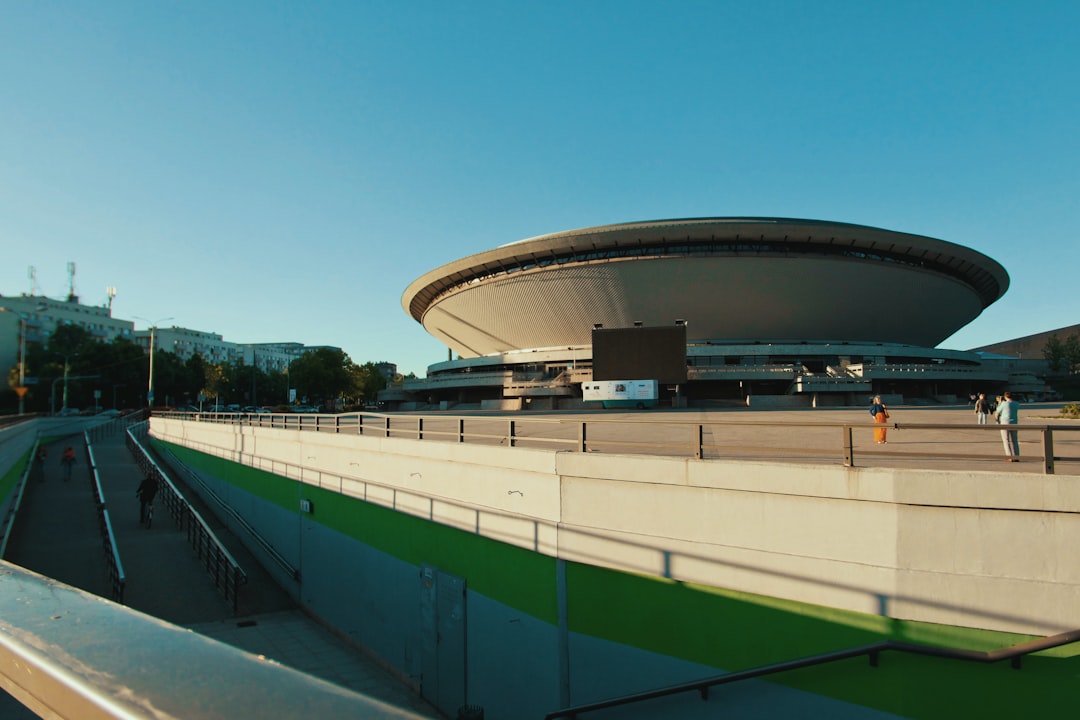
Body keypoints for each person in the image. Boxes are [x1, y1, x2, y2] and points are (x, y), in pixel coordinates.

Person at [994, 391, 1020, 461]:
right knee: (1015, 440)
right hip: (1014, 422)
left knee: (1006, 440)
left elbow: (997, 411)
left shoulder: (1004, 404)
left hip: (1005, 422)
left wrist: (999, 403)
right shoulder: (1016, 403)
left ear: (1005, 397)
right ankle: (1017, 456)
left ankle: (1009, 456)